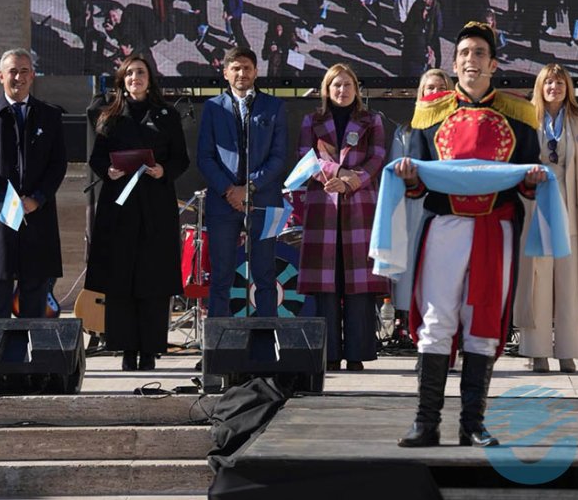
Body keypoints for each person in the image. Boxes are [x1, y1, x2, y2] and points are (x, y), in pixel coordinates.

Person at [394, 22, 547, 448]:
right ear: (455, 62)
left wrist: (533, 179)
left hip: (495, 227)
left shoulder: (519, 116)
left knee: (483, 325)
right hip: (444, 226)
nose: (471, 60)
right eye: (463, 53)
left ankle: (472, 423)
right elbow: (419, 181)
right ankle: (426, 422)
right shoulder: (430, 114)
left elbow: (526, 180)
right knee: (437, 320)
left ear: (493, 64)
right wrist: (409, 175)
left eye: (479, 53)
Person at [85, 55, 190, 371]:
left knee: (153, 280)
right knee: (121, 280)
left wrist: (163, 171)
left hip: (155, 208)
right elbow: (96, 159)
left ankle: (150, 350)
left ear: (150, 78)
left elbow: (181, 159)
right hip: (119, 208)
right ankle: (126, 349)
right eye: (129, 73)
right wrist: (108, 171)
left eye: (141, 72)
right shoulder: (109, 115)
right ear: (122, 80)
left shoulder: (166, 115)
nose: (135, 78)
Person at [297, 64, 387, 372]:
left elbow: (377, 159)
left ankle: (358, 353)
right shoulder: (312, 120)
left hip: (360, 206)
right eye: (336, 85)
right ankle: (330, 354)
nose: (342, 90)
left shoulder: (371, 120)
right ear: (327, 89)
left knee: (358, 285)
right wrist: (337, 174)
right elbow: (308, 158)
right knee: (327, 285)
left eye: (347, 85)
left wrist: (351, 181)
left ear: (356, 89)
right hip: (324, 206)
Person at [0, 48, 67, 319]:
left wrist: (38, 198)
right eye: (12, 71)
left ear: (33, 76)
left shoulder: (50, 116)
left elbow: (58, 164)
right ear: (1, 76)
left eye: (24, 71)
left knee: (34, 302)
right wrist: (3, 202)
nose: (18, 77)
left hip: (38, 218)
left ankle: (25, 360)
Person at [515, 63, 578, 374]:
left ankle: (568, 350)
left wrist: (568, 196)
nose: (554, 88)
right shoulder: (526, 118)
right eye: (549, 82)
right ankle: (536, 351)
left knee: (568, 282)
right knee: (537, 281)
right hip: (535, 207)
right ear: (540, 86)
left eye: (560, 83)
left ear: (568, 88)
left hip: (570, 207)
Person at [198, 47, 288, 318]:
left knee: (264, 273)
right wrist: (230, 190)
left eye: (247, 68)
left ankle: (267, 347)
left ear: (256, 72)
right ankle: (218, 350)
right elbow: (205, 157)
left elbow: (278, 156)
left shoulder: (274, 106)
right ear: (225, 73)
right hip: (223, 203)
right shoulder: (213, 108)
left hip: (263, 200)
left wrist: (248, 187)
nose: (242, 73)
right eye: (235, 68)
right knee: (221, 274)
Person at [389, 69, 454, 314]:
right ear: (421, 93)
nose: (435, 92)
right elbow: (396, 172)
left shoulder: (459, 128)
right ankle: (408, 320)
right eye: (430, 88)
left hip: (450, 207)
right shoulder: (405, 132)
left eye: (440, 87)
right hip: (414, 207)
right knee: (414, 261)